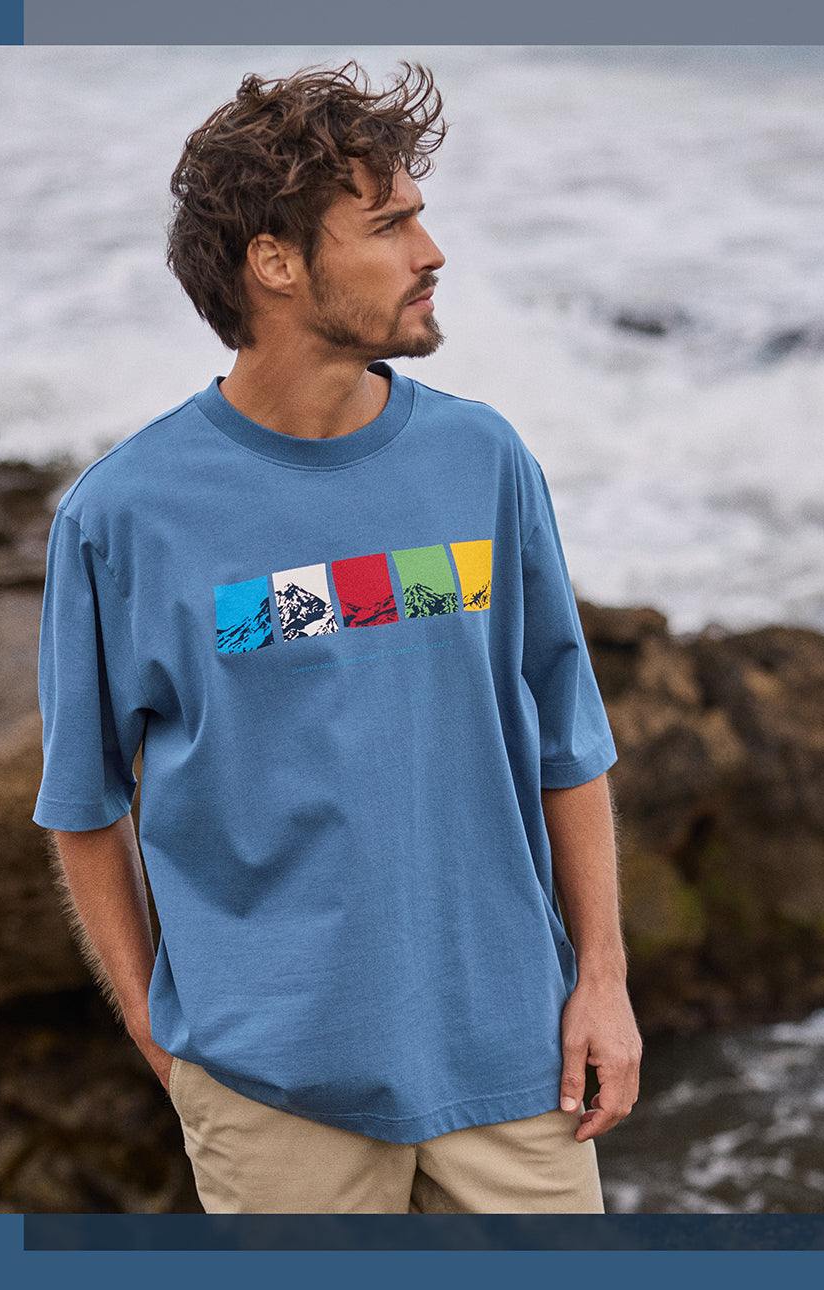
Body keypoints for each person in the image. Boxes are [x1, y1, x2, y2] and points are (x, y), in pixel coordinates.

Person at [34, 61, 641, 1215]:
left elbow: (568, 734)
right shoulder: (124, 518)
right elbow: (83, 805)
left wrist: (601, 976)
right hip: (274, 1093)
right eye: (391, 223)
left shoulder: (484, 460)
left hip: (516, 1062)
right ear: (275, 262)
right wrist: (164, 1039)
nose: (432, 251)